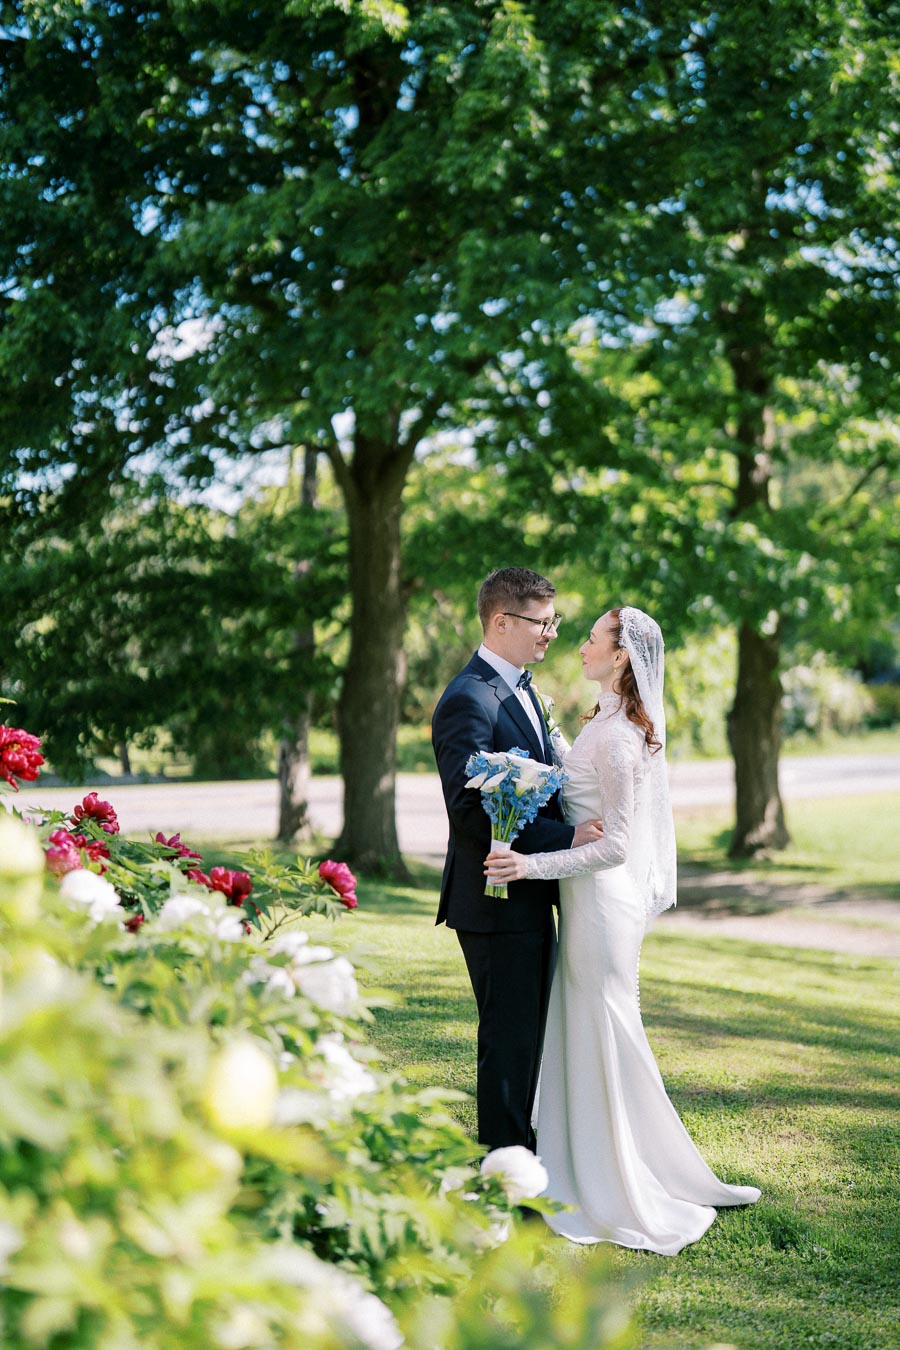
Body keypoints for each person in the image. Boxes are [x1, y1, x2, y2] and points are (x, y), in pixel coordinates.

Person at [485, 606, 761, 1253]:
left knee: (608, 1032)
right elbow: (578, 790)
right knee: (590, 1031)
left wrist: (529, 864)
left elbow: (616, 847)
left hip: (601, 904)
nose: (576, 645)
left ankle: (626, 1181)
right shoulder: (604, 722)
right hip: (584, 904)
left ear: (619, 658)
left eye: (590, 639)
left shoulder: (620, 737)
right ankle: (597, 1161)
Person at [431, 568, 602, 1153]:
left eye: (554, 621)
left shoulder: (522, 687)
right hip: (493, 902)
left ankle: (525, 1158)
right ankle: (506, 1179)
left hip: (529, 893)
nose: (551, 633)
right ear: (502, 622)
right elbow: (470, 811)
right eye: (542, 622)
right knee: (507, 1044)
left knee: (526, 1040)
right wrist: (569, 837)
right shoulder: (467, 698)